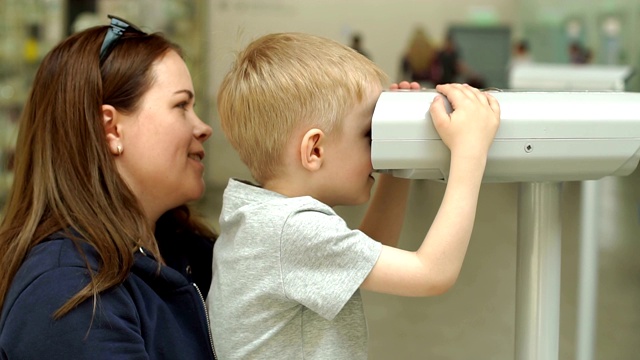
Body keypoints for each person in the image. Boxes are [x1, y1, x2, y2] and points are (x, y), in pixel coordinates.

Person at [208, 32, 500, 359]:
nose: (378, 145)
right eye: (369, 133)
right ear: (314, 150)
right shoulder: (290, 230)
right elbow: (432, 273)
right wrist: (470, 153)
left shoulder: (259, 217)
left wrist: (398, 157)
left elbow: (368, 253)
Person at [0, 15, 217, 359]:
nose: (203, 127)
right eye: (181, 106)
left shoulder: (186, 251)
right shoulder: (67, 292)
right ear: (111, 129)